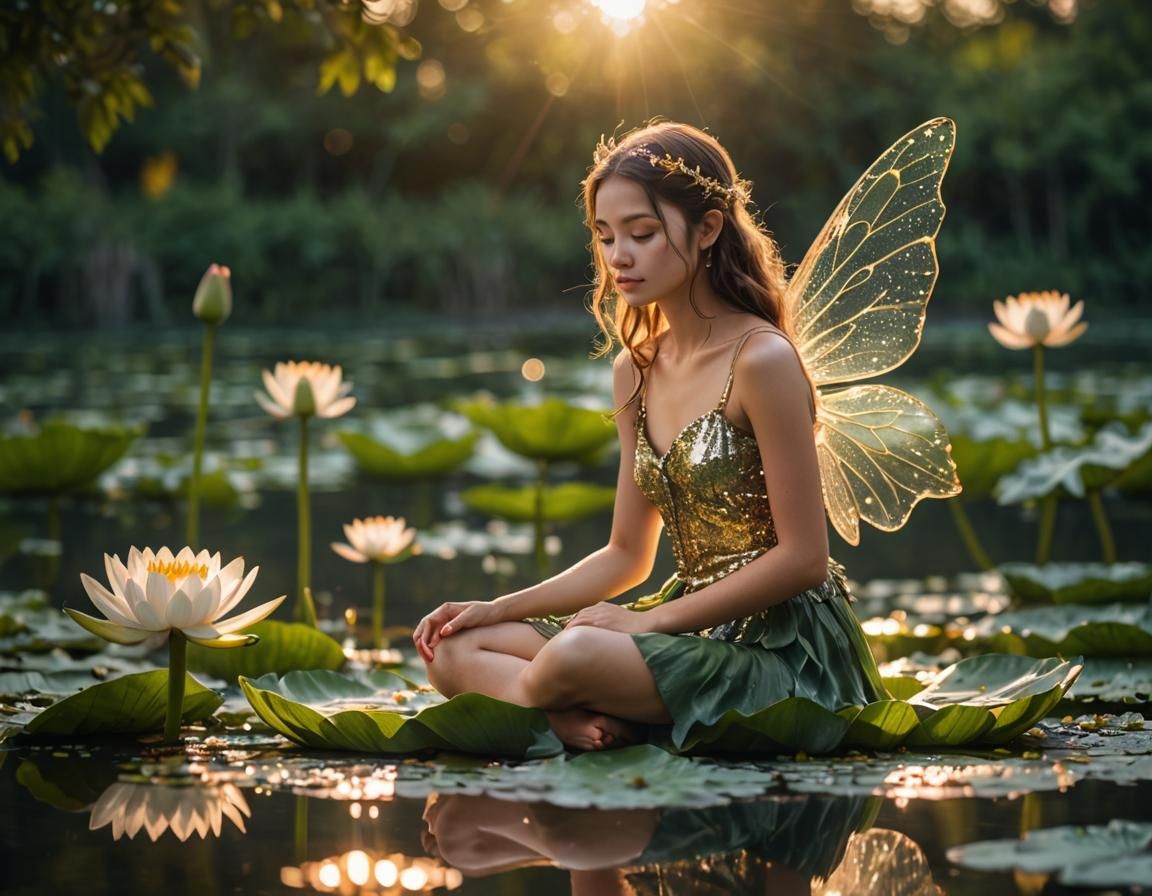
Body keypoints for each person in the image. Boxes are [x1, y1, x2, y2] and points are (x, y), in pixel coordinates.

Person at [412, 121, 888, 752]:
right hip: (685, 628)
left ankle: (551, 709)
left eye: (641, 234)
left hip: (782, 651)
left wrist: (649, 623)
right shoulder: (634, 369)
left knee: (575, 654)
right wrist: (497, 607)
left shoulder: (762, 360)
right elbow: (625, 553)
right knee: (453, 648)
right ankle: (570, 715)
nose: (619, 257)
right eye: (605, 236)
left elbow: (804, 559)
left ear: (708, 229)